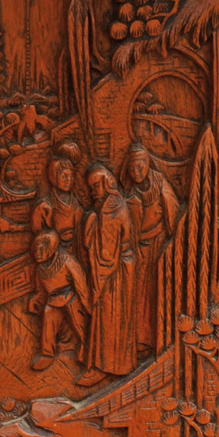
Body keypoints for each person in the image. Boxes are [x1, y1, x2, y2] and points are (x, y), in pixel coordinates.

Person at [79, 164, 137, 386]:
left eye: (95, 186)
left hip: (114, 273)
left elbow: (106, 254)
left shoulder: (110, 209)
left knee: (110, 317)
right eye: (90, 187)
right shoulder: (111, 205)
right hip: (120, 268)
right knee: (112, 318)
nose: (92, 191)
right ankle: (111, 364)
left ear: (106, 184)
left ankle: (108, 367)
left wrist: (91, 224)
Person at [120, 143, 179, 352]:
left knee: (158, 290)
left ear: (147, 163)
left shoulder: (159, 183)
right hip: (138, 249)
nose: (136, 172)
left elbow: (172, 209)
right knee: (139, 296)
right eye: (132, 168)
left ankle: (162, 337)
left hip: (159, 245)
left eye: (140, 166)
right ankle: (140, 340)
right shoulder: (128, 191)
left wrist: (172, 238)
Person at [27, 229, 90, 371]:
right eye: (35, 250)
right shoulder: (40, 269)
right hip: (53, 300)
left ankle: (86, 349)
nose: (37, 253)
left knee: (80, 325)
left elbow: (80, 282)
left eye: (41, 250)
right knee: (48, 322)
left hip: (70, 297)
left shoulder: (67, 260)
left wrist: (87, 303)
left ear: (50, 248)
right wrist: (36, 300)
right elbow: (41, 290)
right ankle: (47, 354)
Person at [31, 156, 86, 256]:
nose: (69, 180)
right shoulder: (43, 208)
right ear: (53, 177)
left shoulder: (76, 204)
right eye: (64, 176)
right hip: (54, 254)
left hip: (76, 251)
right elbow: (38, 239)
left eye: (71, 176)